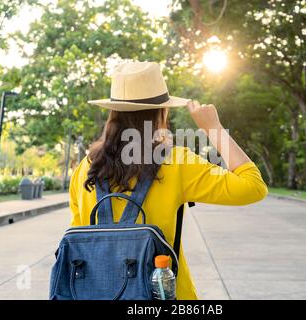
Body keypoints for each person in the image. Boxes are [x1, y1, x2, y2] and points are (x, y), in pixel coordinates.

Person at [69, 61, 268, 300]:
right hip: (165, 296)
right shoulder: (177, 162)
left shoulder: (86, 168)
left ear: (113, 114)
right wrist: (214, 128)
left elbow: (80, 237)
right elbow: (253, 186)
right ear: (161, 112)